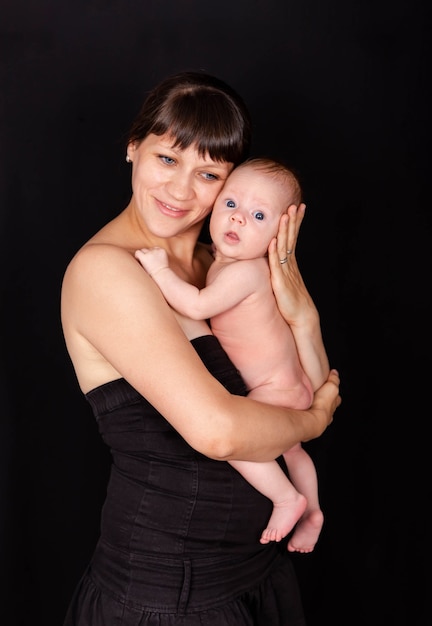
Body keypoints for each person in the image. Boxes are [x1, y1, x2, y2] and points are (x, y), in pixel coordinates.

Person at [61, 70, 341, 625]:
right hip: (171, 593)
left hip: (254, 572)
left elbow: (310, 378)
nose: (182, 190)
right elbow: (220, 432)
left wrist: (302, 313)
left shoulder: (222, 266)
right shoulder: (107, 271)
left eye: (208, 173)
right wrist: (312, 423)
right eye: (167, 159)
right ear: (134, 147)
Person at [135, 157, 324, 554]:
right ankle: (313, 514)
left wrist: (159, 271)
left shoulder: (246, 272)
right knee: (295, 452)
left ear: (280, 235)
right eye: (231, 205)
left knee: (243, 445)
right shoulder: (228, 265)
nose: (238, 220)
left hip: (272, 391)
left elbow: (198, 305)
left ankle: (286, 499)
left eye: (258, 215)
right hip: (294, 386)